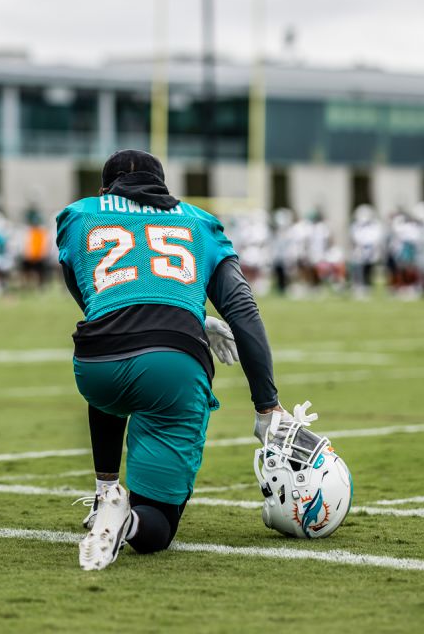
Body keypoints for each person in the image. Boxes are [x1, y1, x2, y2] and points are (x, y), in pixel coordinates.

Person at [55, 149, 286, 571]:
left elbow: (94, 301)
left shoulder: (78, 214)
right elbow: (242, 311)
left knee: (112, 359)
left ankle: (105, 493)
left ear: (103, 190)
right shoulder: (198, 221)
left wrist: (187, 314)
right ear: (164, 188)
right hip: (171, 366)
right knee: (157, 526)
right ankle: (126, 519)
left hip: (95, 365)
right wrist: (266, 404)